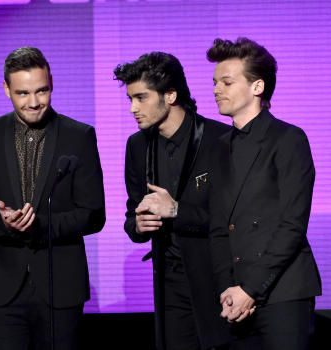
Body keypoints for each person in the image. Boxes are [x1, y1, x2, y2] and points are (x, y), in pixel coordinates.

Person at [0, 47, 105, 349]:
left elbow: (93, 214)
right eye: (23, 93)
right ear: (6, 89)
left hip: (61, 289)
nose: (33, 102)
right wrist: (5, 223)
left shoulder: (79, 136)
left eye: (41, 91)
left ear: (52, 83)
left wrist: (38, 226)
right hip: (3, 289)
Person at [206, 37, 321, 350]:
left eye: (227, 82)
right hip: (234, 298)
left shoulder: (288, 139)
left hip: (282, 292)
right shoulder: (218, 148)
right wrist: (228, 288)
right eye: (215, 82)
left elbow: (292, 226)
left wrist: (251, 290)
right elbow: (217, 227)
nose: (217, 89)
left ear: (257, 87)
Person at [114, 52, 231, 350]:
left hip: (218, 278)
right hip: (169, 281)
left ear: (170, 95)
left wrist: (176, 211)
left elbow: (233, 219)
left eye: (141, 98)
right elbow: (132, 215)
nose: (132, 109)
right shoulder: (137, 145)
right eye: (130, 99)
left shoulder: (221, 140)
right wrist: (138, 225)